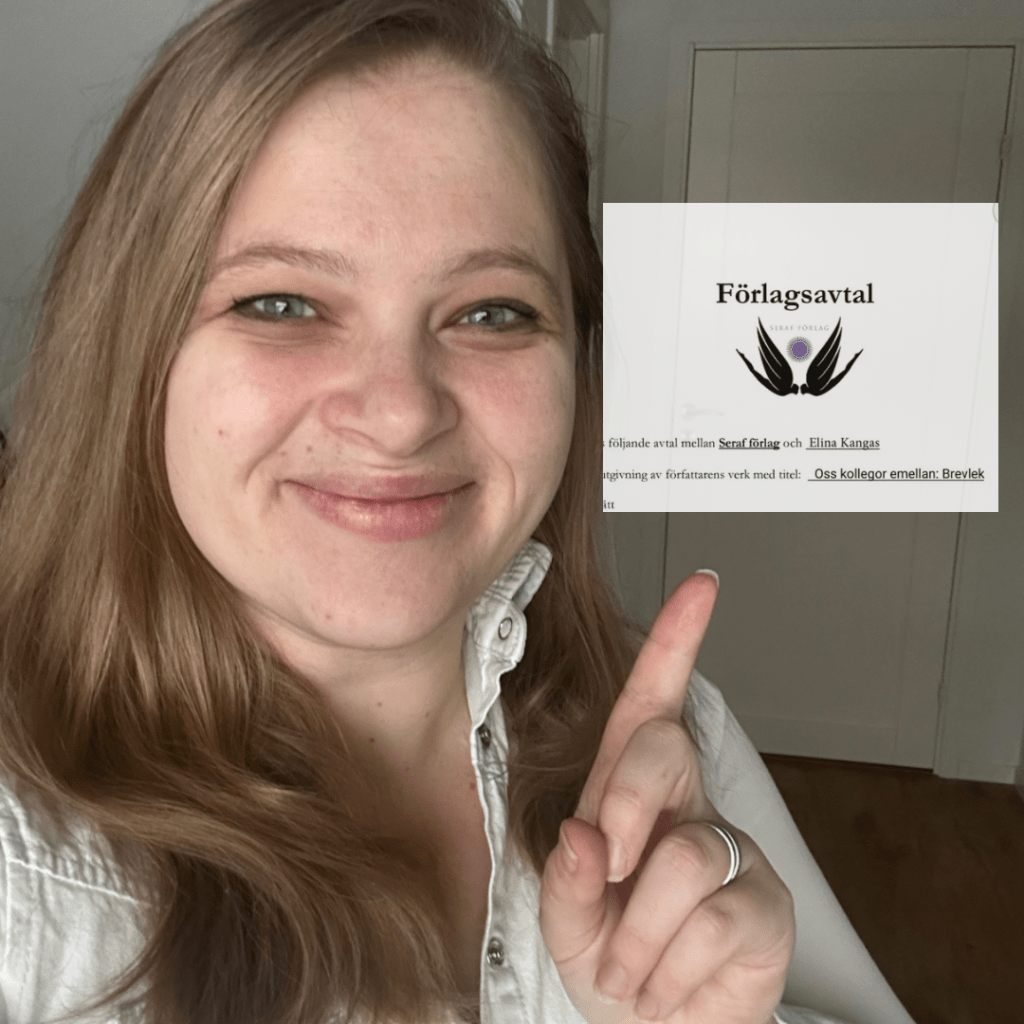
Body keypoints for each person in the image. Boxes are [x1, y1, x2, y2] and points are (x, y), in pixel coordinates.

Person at [0, 2, 887, 1023]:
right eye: (281, 303)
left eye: (490, 312)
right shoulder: (26, 872)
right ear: (135, 350)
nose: (399, 412)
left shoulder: (675, 741)